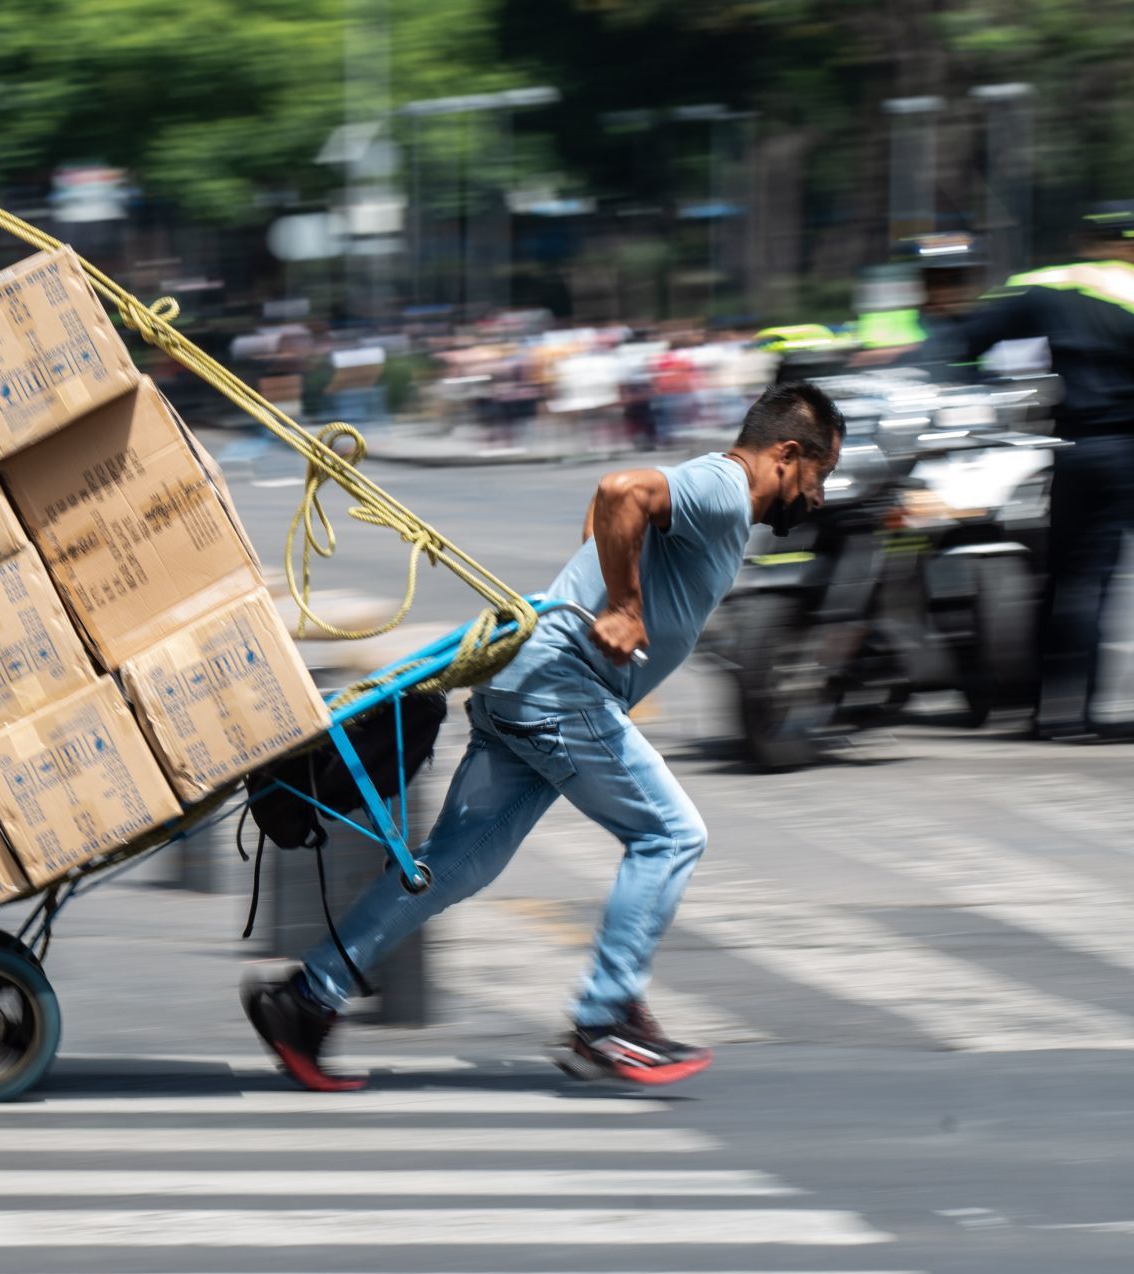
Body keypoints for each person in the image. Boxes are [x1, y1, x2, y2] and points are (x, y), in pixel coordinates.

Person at [243, 381, 845, 1090]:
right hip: (563, 690)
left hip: (525, 689)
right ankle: (606, 1019)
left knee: (453, 867)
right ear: (786, 455)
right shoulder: (725, 487)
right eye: (820, 474)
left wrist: (607, 572)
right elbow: (619, 491)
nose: (819, 497)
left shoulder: (717, 494)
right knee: (671, 835)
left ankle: (306, 1000)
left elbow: (607, 509)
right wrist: (623, 605)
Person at [919, 205, 1134, 741]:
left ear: (1089, 240)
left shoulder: (1054, 284)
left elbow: (964, 342)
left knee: (1074, 581)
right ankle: (1071, 713)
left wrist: (941, 383)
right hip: (1122, 448)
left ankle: (1053, 711)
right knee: (1087, 582)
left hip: (1081, 447)